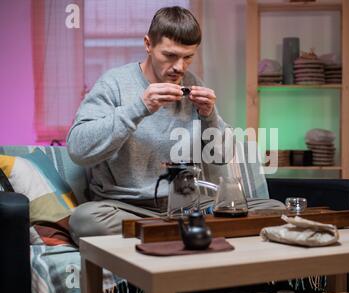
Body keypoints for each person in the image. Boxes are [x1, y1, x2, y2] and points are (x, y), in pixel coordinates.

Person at [67, 6, 284, 245]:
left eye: (188, 57)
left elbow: (222, 157)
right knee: (84, 220)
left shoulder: (193, 84)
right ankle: (188, 232)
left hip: (191, 205)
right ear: (148, 44)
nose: (179, 67)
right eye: (170, 55)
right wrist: (140, 106)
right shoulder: (114, 83)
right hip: (129, 208)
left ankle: (163, 234)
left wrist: (209, 116)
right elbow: (78, 149)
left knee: (274, 209)